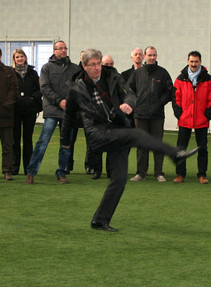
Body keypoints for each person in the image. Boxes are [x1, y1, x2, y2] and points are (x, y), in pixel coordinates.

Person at [61, 49, 197, 232]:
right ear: (84, 66)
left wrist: (128, 103)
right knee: (136, 134)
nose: (96, 68)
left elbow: (130, 93)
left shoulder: (113, 77)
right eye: (91, 65)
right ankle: (175, 154)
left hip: (116, 128)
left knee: (119, 179)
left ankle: (99, 220)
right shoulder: (76, 88)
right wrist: (65, 142)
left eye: (98, 63)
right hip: (97, 132)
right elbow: (68, 117)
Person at [25, 41, 79, 184]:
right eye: (60, 48)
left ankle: (62, 172)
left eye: (65, 48)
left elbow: (78, 87)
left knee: (66, 144)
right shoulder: (46, 68)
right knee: (43, 142)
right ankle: (31, 172)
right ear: (54, 50)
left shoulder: (75, 69)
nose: (63, 50)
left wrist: (69, 102)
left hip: (68, 111)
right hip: (52, 110)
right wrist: (59, 101)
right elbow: (44, 87)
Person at [172, 51, 211, 184]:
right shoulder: (180, 78)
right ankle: (180, 174)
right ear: (187, 61)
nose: (193, 64)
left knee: (202, 148)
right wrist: (179, 114)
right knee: (181, 148)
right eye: (191, 61)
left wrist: (207, 115)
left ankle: (202, 175)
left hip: (201, 120)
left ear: (200, 62)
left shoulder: (208, 79)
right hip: (184, 119)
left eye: (196, 61)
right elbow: (175, 98)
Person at [128, 46, 172, 182]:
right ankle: (141, 173)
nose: (152, 57)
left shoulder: (163, 73)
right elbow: (128, 90)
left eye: (154, 55)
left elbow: (170, 91)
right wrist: (135, 104)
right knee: (141, 145)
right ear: (144, 56)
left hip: (157, 115)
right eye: (149, 55)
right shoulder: (137, 73)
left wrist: (159, 103)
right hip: (140, 115)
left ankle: (159, 173)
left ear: (156, 56)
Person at [11, 49, 42, 176]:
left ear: (25, 57)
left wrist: (32, 98)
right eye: (17, 57)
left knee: (28, 140)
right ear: (14, 59)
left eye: (21, 56)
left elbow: (40, 89)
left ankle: (28, 168)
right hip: (15, 111)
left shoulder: (33, 73)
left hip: (30, 110)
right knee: (15, 139)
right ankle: (14, 167)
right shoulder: (10, 74)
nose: (19, 59)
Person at [0, 48, 19, 180]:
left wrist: (6, 106)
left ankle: (7, 170)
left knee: (7, 145)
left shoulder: (8, 72)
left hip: (5, 114)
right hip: (5, 112)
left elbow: (14, 90)